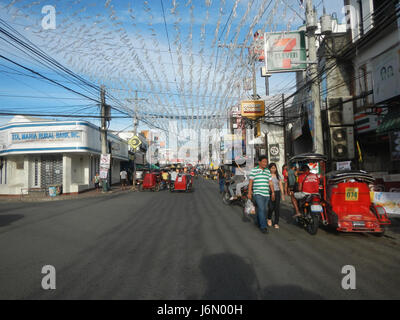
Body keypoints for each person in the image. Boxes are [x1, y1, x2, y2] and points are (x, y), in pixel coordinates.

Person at [248, 155, 275, 234]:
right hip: (258, 193)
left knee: (263, 210)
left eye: (266, 162)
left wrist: (273, 192)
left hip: (266, 194)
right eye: (263, 162)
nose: (265, 163)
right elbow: (250, 182)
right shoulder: (254, 170)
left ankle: (258, 220)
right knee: (262, 209)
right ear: (259, 162)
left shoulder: (267, 171)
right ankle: (263, 227)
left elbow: (270, 182)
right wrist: (249, 192)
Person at [267, 163, 285, 229]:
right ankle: (269, 218)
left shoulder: (278, 176)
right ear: (269, 169)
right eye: (272, 168)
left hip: (277, 193)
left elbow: (280, 185)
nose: (273, 169)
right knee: (271, 207)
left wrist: (282, 194)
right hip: (269, 193)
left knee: (277, 208)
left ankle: (276, 223)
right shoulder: (267, 176)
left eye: (274, 168)